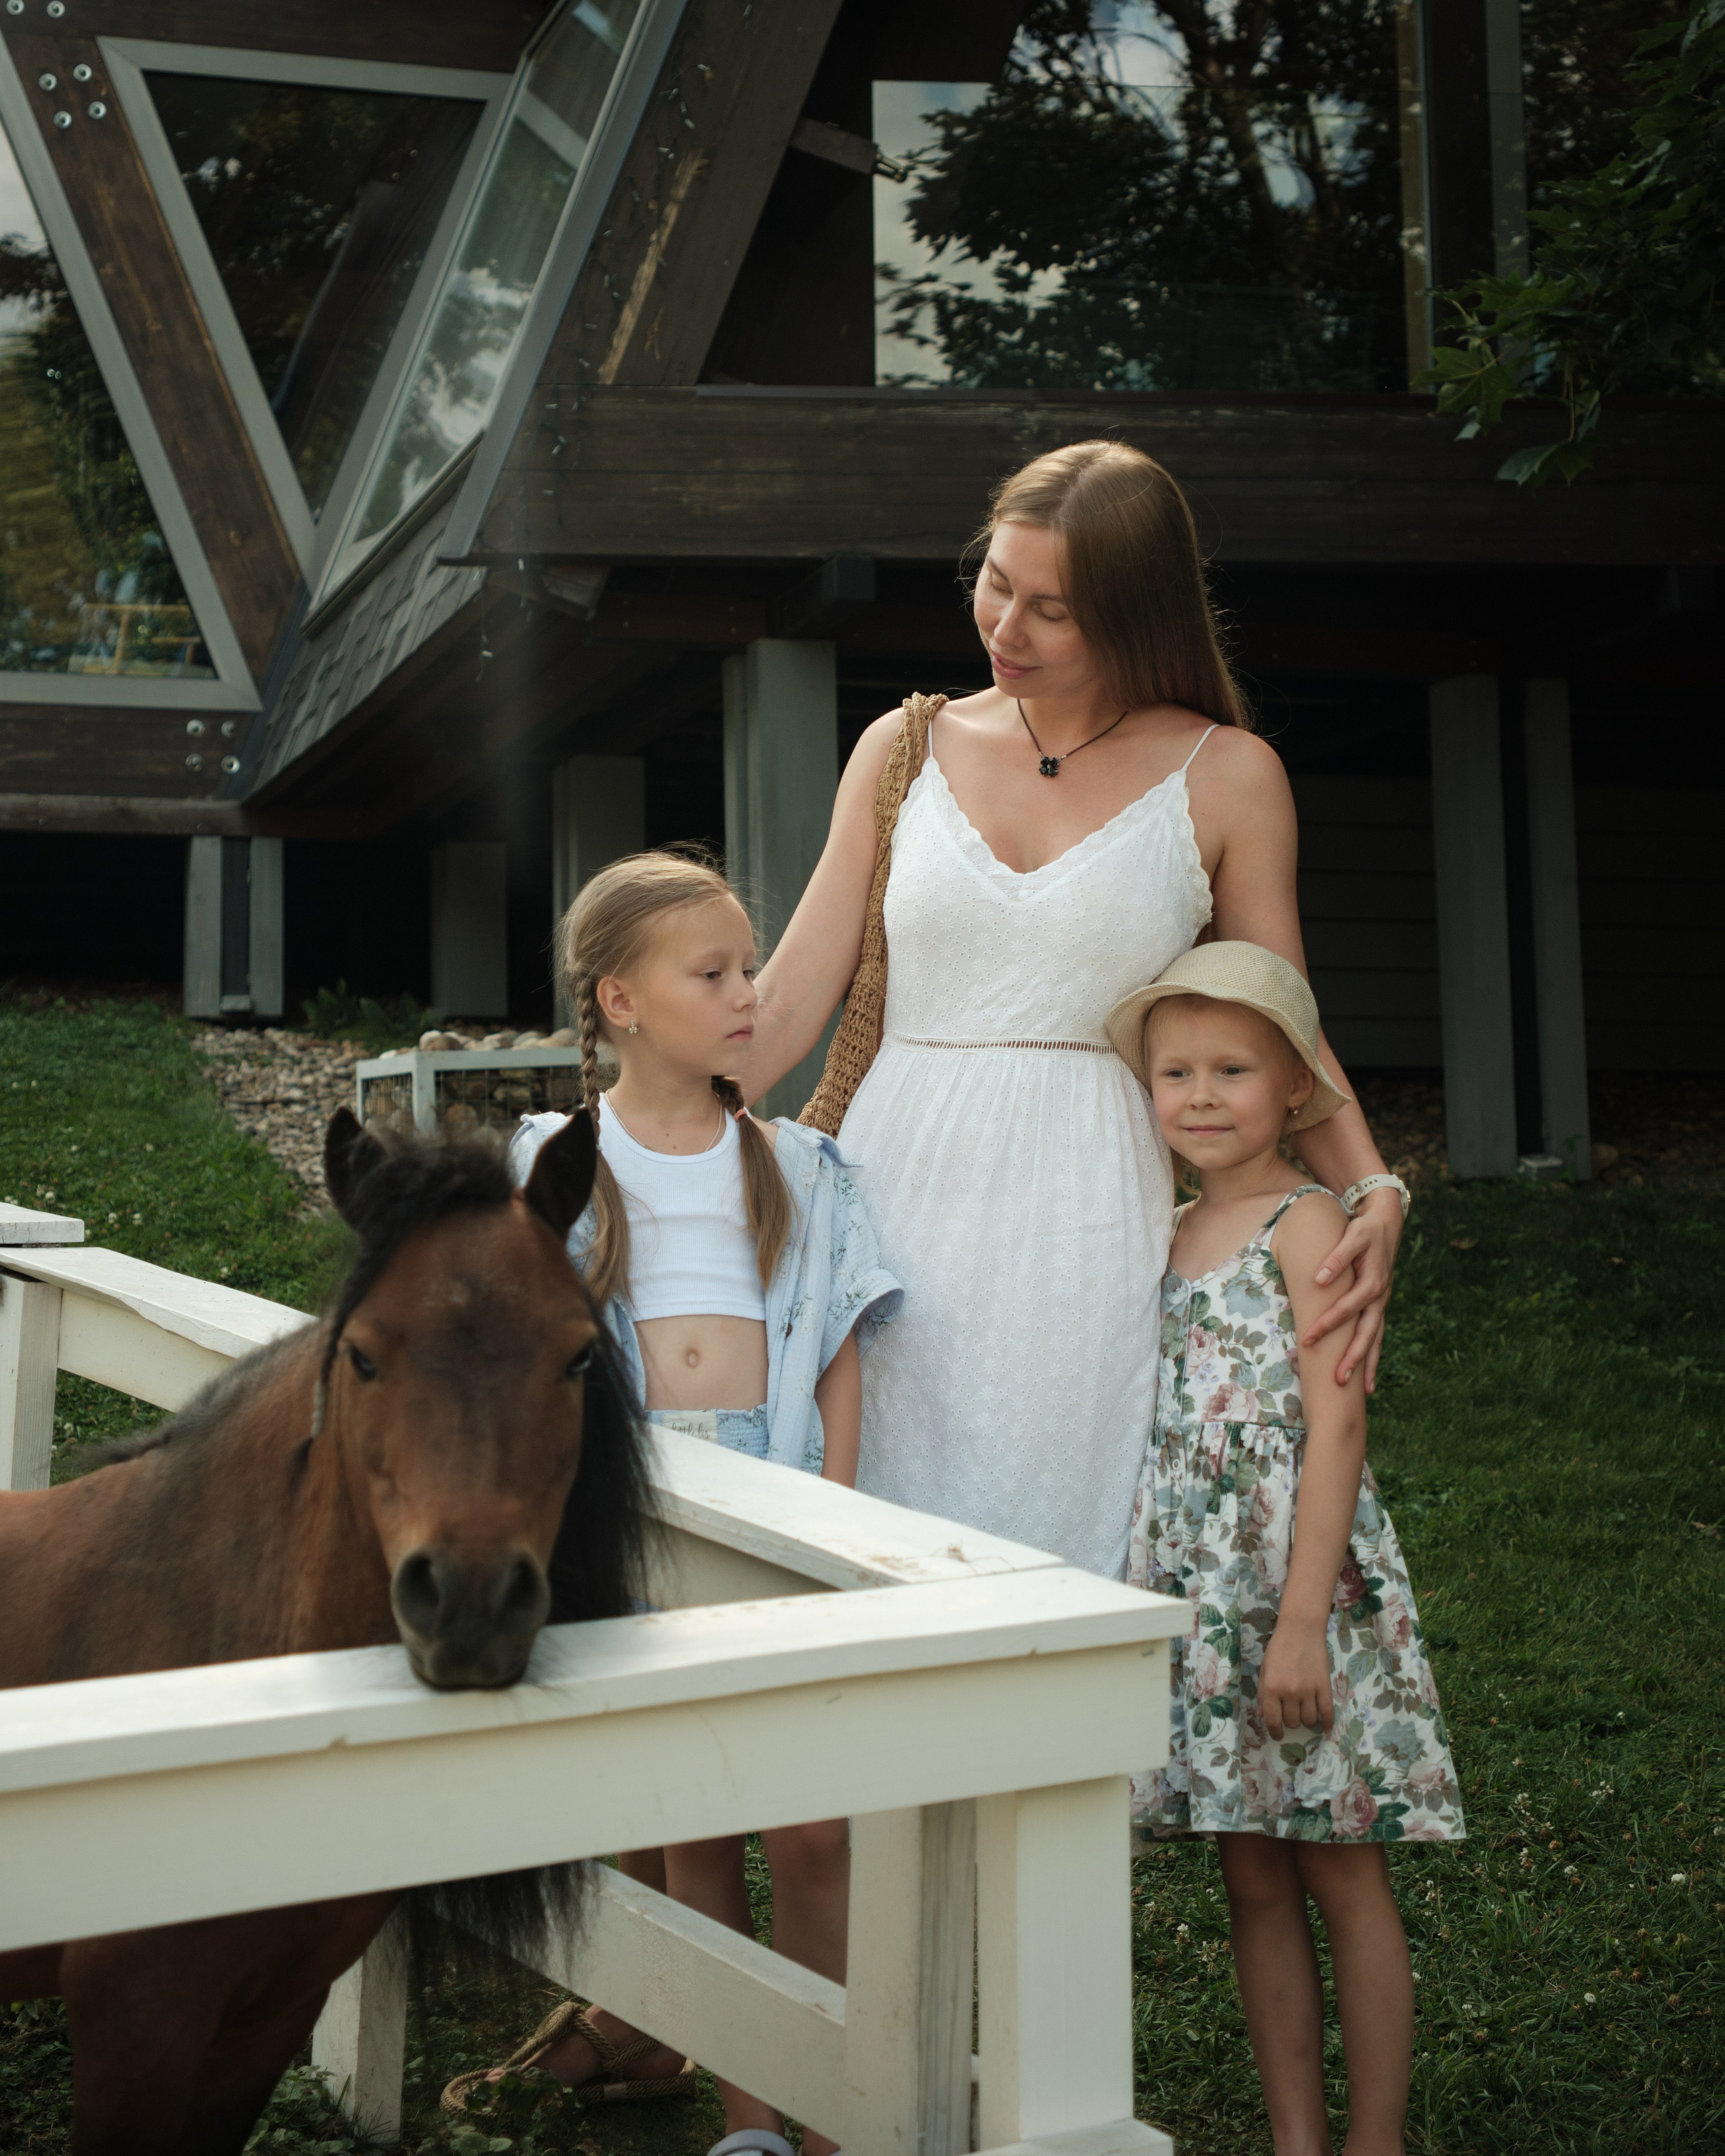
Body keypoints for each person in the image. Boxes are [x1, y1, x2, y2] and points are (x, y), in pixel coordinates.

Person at [745, 441, 1409, 1579]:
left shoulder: (1228, 775)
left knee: (1057, 1541)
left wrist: (1375, 1188)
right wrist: (612, 1143)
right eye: (996, 584)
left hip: (1087, 1217)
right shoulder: (901, 750)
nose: (1006, 628)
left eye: (1051, 610)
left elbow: (1278, 1022)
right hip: (889, 1203)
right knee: (874, 1542)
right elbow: (786, 1001)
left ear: (1136, 616)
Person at [444, 851, 900, 2156]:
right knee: (695, 1821)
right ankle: (750, 2122)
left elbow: (838, 1351)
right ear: (621, 1001)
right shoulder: (552, 1163)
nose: (750, 992)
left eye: (748, 966)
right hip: (645, 1521)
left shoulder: (799, 1164)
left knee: (810, 1827)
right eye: (715, 973)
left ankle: (833, 2120)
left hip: (781, 1508)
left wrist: (832, 1511)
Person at [1106, 941, 1462, 2156]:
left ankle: (1375, 2140)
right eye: (1176, 1073)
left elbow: (1339, 1423)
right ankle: (1297, 2138)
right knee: (1252, 1876)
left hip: (1299, 1584)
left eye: (1234, 1071)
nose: (1201, 1096)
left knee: (1341, 1868)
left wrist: (1303, 1619)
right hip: (1205, 1591)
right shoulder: (1165, 1229)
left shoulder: (1310, 1225)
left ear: (1296, 1088)